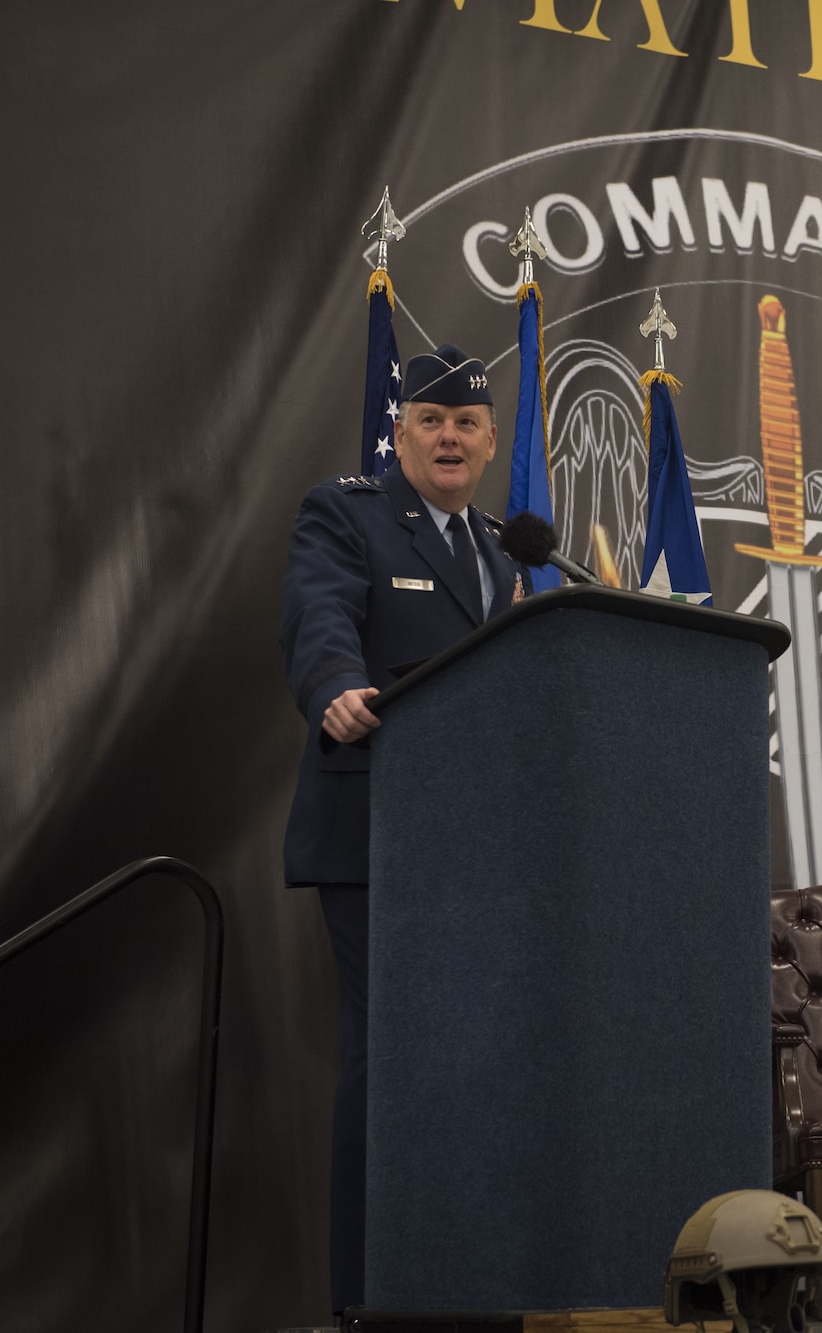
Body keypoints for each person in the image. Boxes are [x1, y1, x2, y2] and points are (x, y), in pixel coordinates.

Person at [278, 344, 529, 1315]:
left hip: (480, 856)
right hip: (376, 837)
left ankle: (463, 1283)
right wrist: (333, 683)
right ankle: (368, 1298)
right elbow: (319, 613)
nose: (449, 436)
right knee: (388, 1061)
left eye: (466, 422)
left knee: (478, 1069)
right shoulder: (346, 513)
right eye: (430, 419)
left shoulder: (504, 546)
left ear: (490, 439)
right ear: (400, 432)